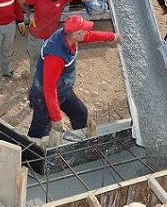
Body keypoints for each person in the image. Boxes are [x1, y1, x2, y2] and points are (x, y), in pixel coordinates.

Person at [27, 15, 121, 145]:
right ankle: (31, 152)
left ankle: (82, 143)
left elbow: (90, 36)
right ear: (75, 35)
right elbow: (49, 88)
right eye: (83, 31)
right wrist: (57, 118)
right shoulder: (55, 56)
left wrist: (113, 37)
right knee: (40, 130)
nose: (86, 33)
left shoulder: (68, 36)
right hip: (43, 96)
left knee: (80, 113)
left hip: (63, 89)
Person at [22, 0, 105, 83]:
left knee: (54, 65)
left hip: (53, 39)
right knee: (36, 65)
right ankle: (35, 88)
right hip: (36, 38)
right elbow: (21, 1)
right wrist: (30, 14)